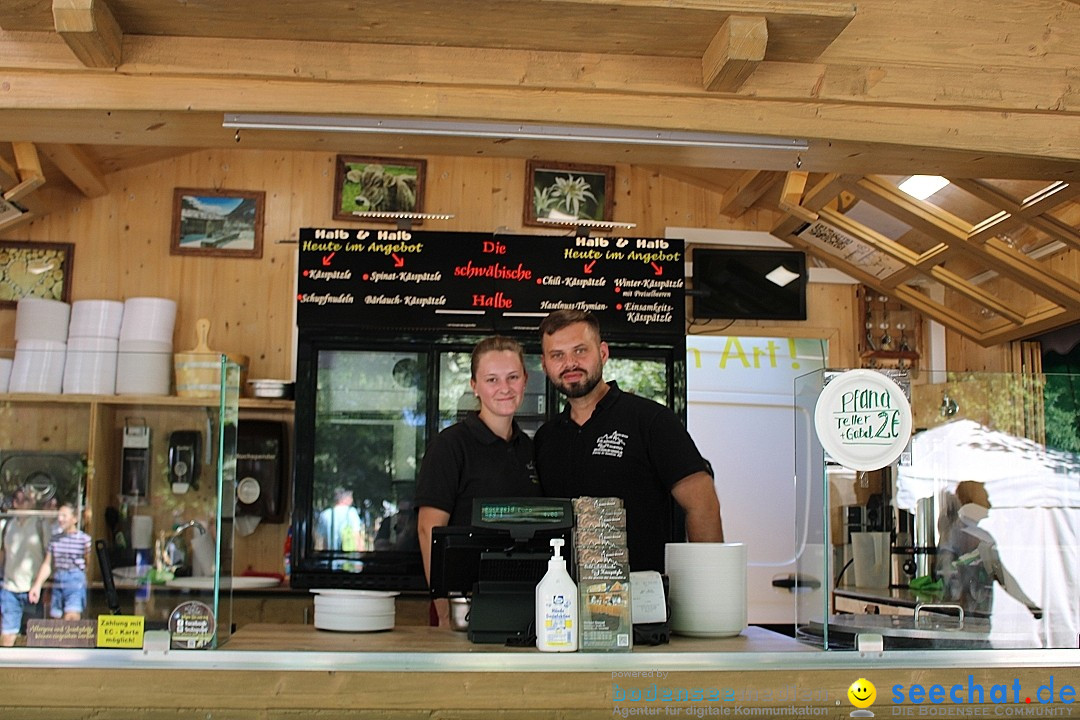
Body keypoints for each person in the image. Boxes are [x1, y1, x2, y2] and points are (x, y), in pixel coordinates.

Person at [534, 309, 723, 573]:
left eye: (580, 351)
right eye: (558, 355)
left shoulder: (652, 421)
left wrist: (706, 594)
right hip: (562, 599)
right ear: (545, 365)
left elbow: (703, 504)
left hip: (642, 603)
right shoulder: (547, 438)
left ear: (602, 353)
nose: (570, 363)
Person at [414, 336, 541, 625]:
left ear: (525, 379)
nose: (504, 388)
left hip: (522, 603)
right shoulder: (450, 445)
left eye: (512, 377)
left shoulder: (529, 448)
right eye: (492, 380)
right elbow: (428, 530)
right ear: (474, 385)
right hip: (463, 607)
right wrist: (445, 612)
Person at [1, 488, 50, 646]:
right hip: (9, 588)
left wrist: (38, 585)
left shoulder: (40, 524)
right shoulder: (7, 524)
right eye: (21, 500)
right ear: (15, 503)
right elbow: (3, 554)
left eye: (28, 500)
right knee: (7, 635)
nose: (25, 504)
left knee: (33, 637)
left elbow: (48, 559)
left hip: (32, 589)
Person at [29, 502, 92, 621]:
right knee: (55, 619)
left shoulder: (84, 540)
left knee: (72, 618)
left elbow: (88, 562)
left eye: (64, 516)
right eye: (59, 515)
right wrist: (37, 585)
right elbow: (47, 564)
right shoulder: (55, 539)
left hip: (75, 579)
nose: (60, 519)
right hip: (58, 579)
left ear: (74, 518)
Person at [315, 487, 363, 552]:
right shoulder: (352, 512)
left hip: (331, 556)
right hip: (349, 558)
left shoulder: (325, 514)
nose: (352, 500)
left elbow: (323, 541)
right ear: (345, 499)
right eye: (350, 498)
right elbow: (357, 537)